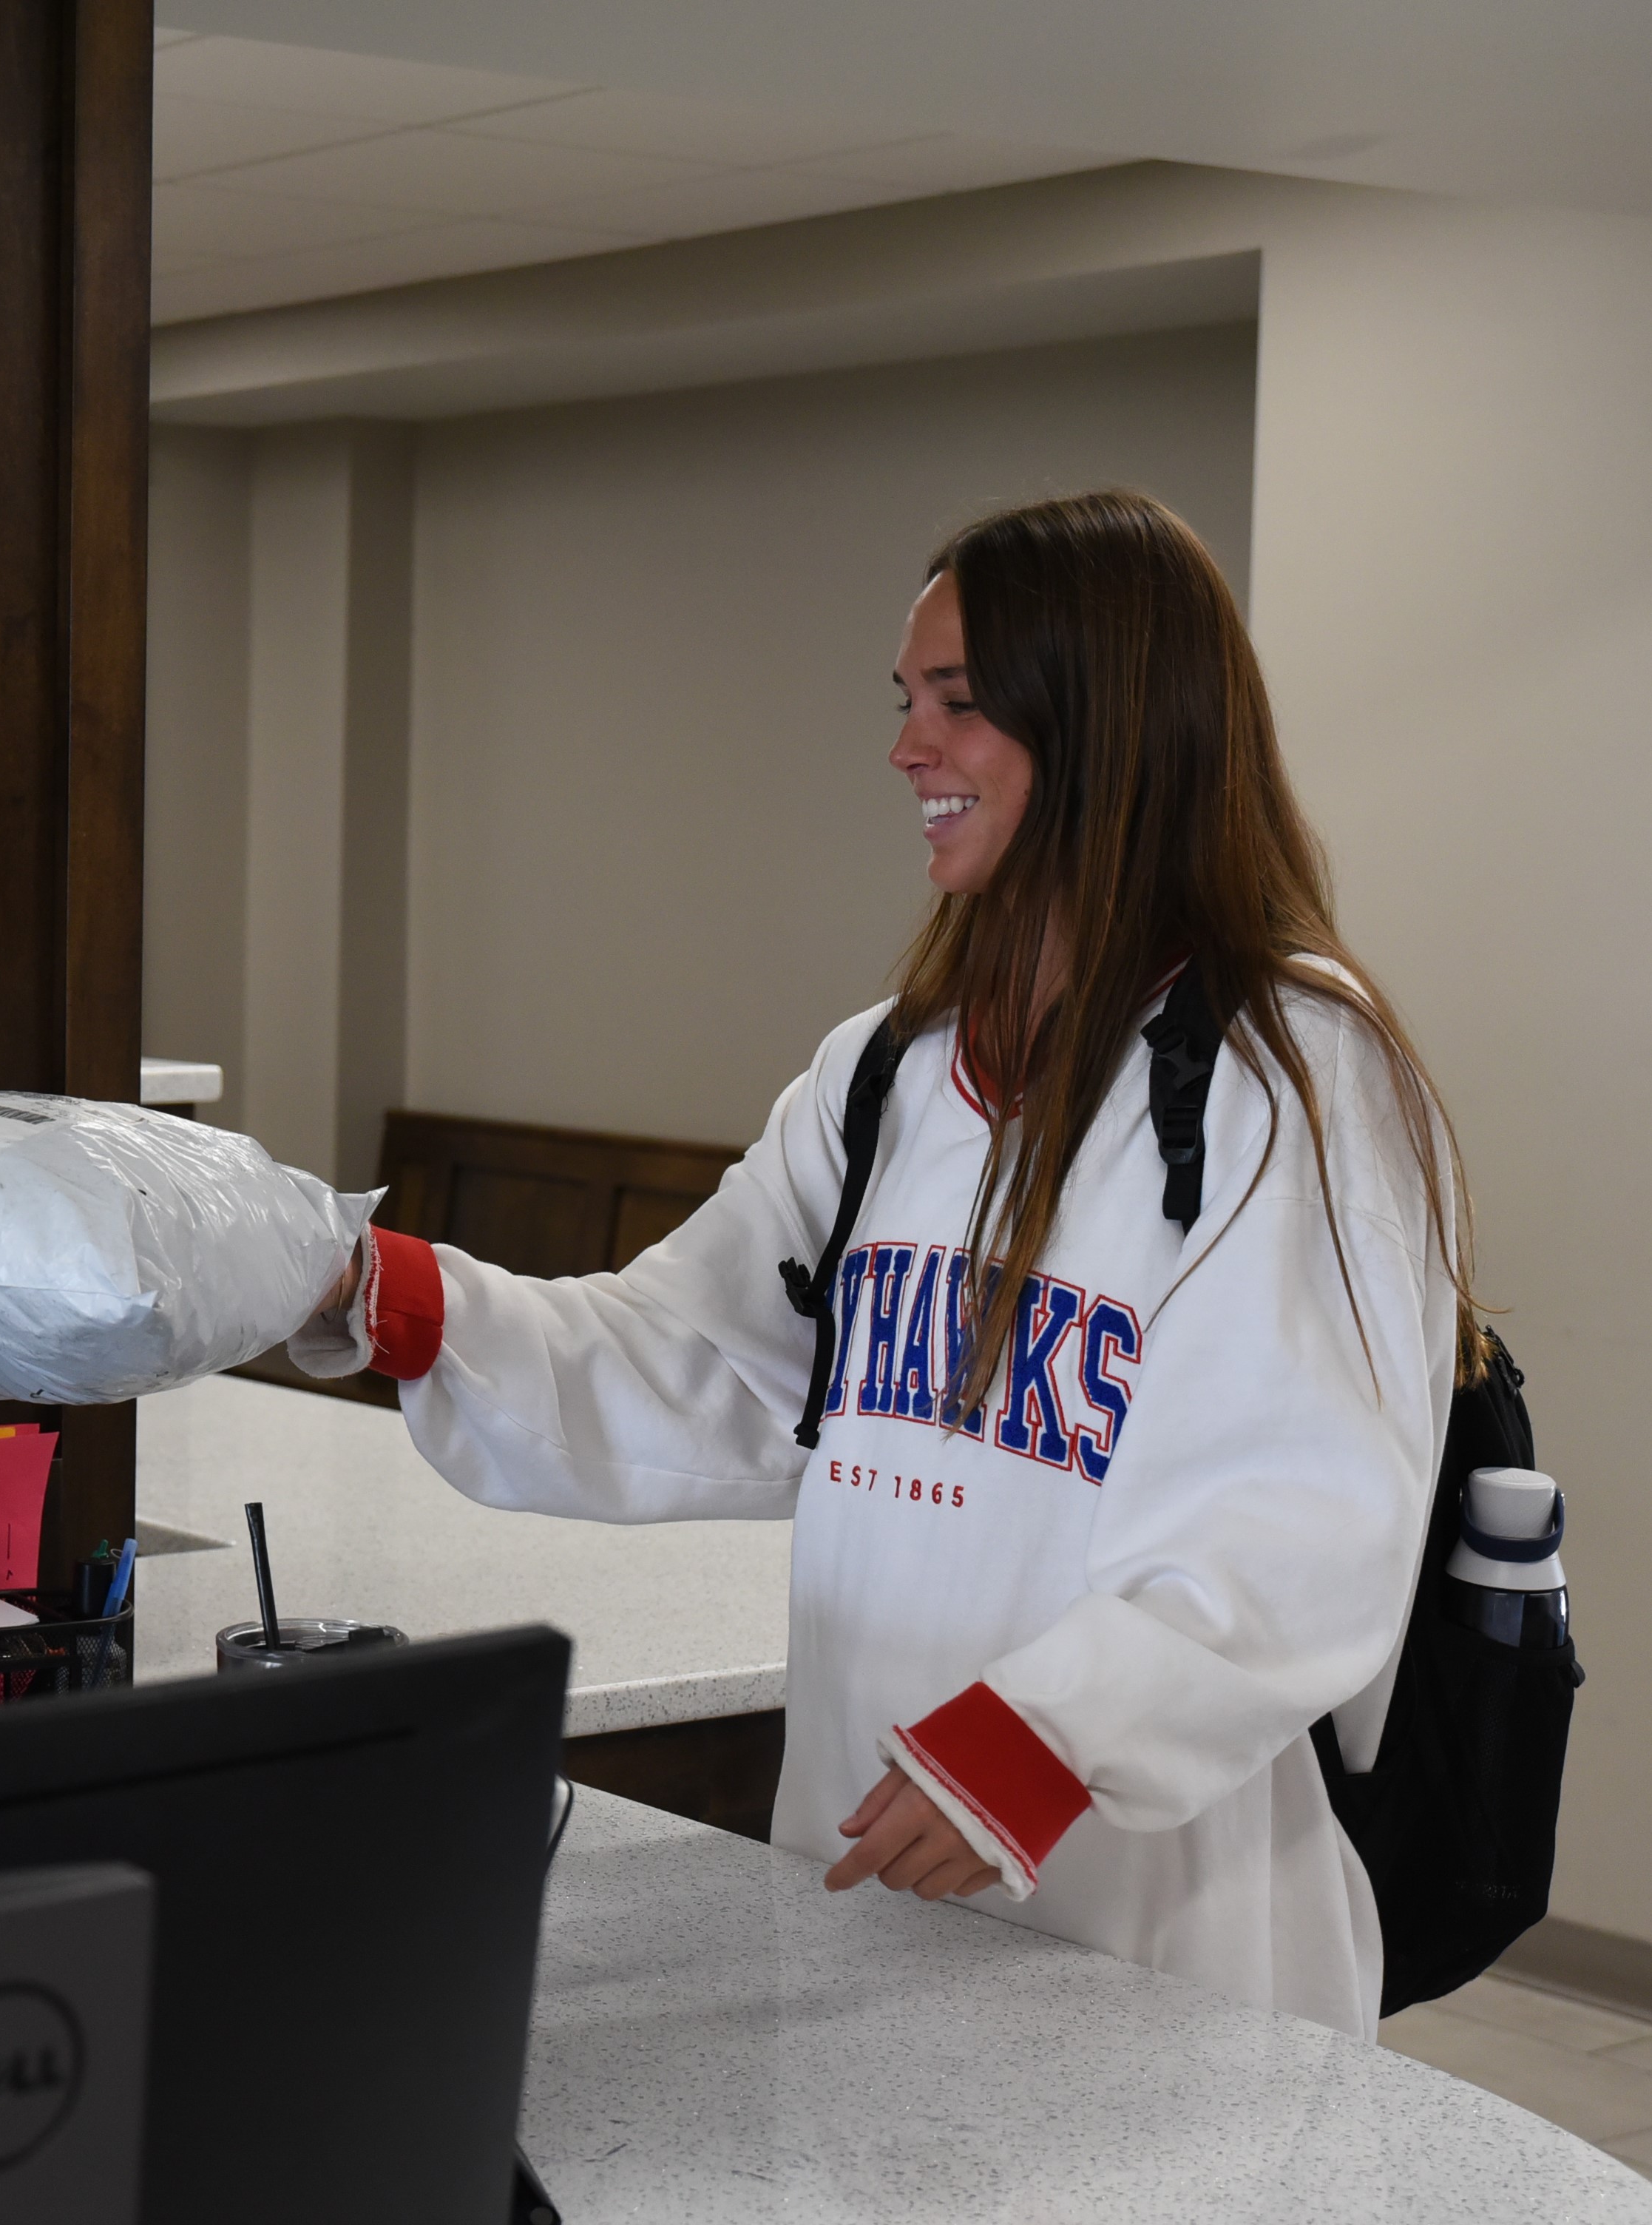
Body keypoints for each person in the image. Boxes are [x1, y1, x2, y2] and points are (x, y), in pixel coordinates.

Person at [294, 490, 1473, 2040]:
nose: (907, 749)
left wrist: (1043, 1738)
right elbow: (700, 1361)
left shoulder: (1290, 1076)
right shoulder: (886, 1074)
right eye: (904, 702)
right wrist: (386, 1295)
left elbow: (1306, 1518)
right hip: (872, 1857)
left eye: (960, 705)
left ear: (1113, 726)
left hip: (1154, 1924)